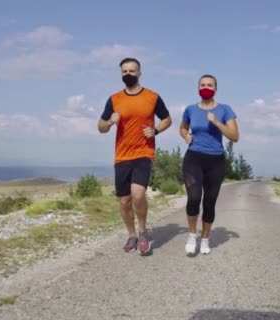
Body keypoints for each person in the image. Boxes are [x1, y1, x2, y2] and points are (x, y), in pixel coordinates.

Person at [98, 57, 172, 254]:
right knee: (124, 201)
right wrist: (109, 122)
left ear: (139, 73)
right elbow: (101, 128)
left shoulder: (152, 97)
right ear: (121, 74)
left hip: (143, 153)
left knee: (138, 195)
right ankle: (131, 235)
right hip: (122, 156)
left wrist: (155, 131)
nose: (128, 74)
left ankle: (142, 232)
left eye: (132, 71)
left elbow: (167, 119)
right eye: (124, 72)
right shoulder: (114, 99)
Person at [179, 74, 239, 255]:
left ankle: (205, 240)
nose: (206, 87)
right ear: (198, 88)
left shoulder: (225, 109)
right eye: (203, 84)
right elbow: (182, 127)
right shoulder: (190, 109)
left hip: (216, 161)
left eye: (210, 85)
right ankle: (192, 236)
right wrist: (185, 135)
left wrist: (216, 122)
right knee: (194, 198)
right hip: (193, 158)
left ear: (215, 89)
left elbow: (234, 136)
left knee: (210, 202)